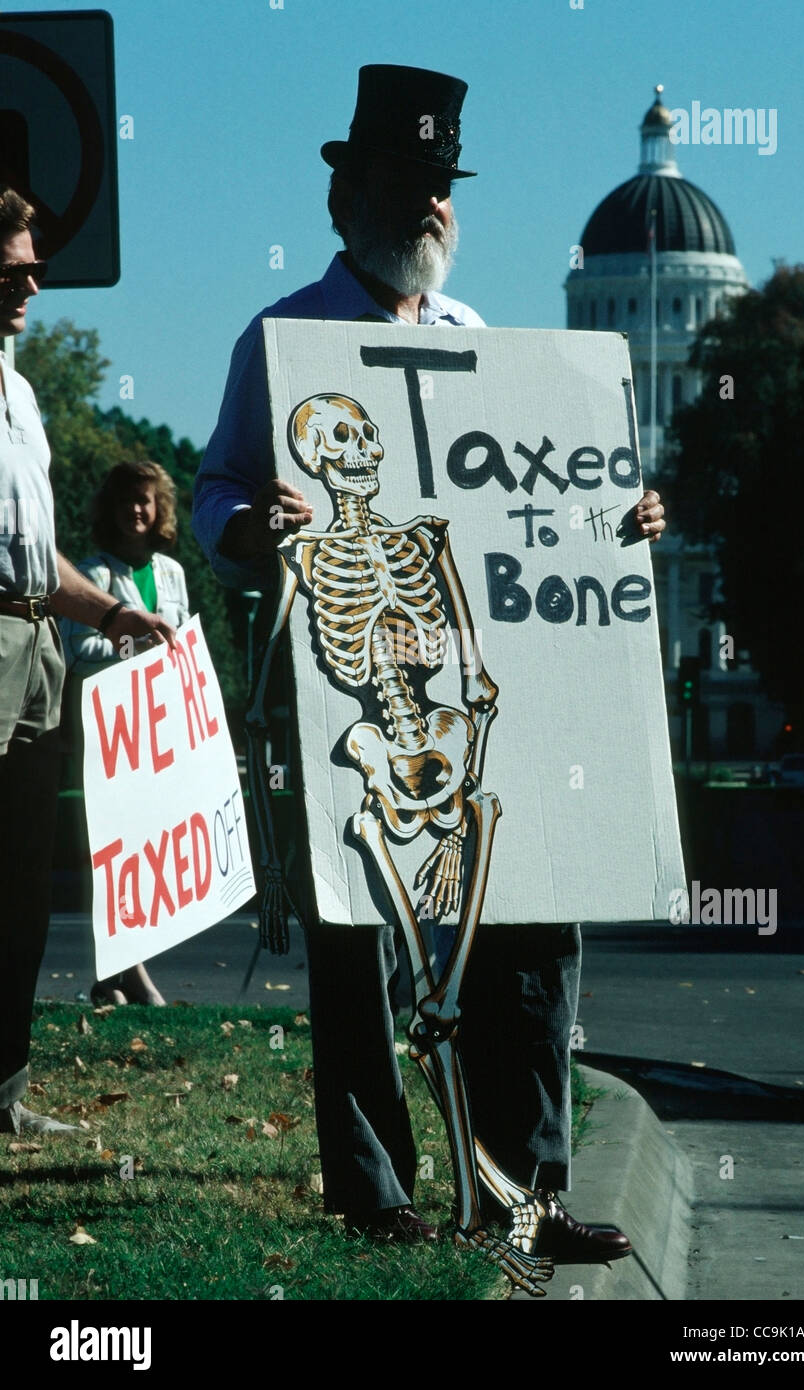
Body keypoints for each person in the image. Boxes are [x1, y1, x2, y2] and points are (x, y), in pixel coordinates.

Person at [193, 67, 665, 1253]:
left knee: (530, 921)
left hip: (480, 690)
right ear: (344, 197)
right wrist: (253, 528)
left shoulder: (483, 344)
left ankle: (527, 1189)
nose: (429, 206)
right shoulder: (284, 340)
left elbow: (532, 516)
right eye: (405, 183)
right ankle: (378, 1189)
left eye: (442, 185)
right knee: (360, 939)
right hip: (344, 692)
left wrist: (617, 519)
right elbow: (216, 491)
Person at [0, 186, 175, 1137]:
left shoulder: (21, 395)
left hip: (39, 647)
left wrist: (110, 611)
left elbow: (39, 554)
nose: (34, 283)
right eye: (15, 269)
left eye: (34, 267)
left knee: (25, 883)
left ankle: (5, 1093)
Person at [59, 459, 191, 1006]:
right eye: (126, 500)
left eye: (145, 499)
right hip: (108, 735)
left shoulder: (172, 573)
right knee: (115, 851)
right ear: (109, 509)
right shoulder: (91, 574)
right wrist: (135, 645)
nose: (136, 509)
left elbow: (184, 644)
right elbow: (77, 651)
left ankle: (111, 978)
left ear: (160, 508)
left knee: (148, 851)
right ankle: (134, 977)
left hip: (157, 734)